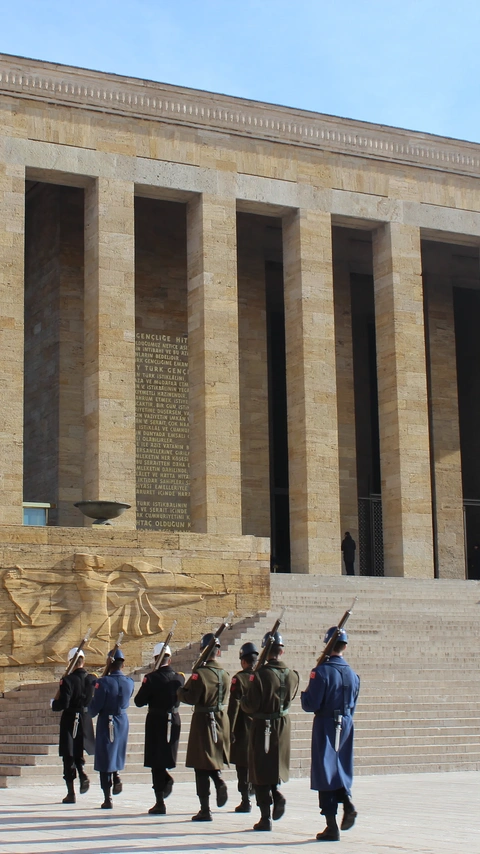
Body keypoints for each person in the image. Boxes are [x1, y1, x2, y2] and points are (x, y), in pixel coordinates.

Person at [301, 626, 360, 842]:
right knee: (340, 768)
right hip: (346, 723)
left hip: (326, 723)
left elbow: (311, 703)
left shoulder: (322, 672)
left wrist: (304, 695)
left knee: (325, 772)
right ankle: (347, 800)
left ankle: (331, 825)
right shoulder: (353, 674)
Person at [240, 632, 299, 832]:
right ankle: (278, 794)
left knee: (259, 771)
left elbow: (250, 705)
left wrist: (244, 698)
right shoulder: (292, 674)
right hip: (282, 725)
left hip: (263, 726)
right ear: (281, 651)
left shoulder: (260, 675)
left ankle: (265, 817)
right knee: (274, 766)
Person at [177, 633, 230, 821]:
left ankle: (205, 809)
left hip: (203, 721)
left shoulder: (200, 674)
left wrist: (180, 690)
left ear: (202, 651)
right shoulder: (225, 674)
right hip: (221, 719)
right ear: (218, 652)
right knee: (212, 758)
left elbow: (190, 697)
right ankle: (218, 780)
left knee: (200, 765)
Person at [134, 641, 185, 814]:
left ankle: (159, 800)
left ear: (156, 658)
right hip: (174, 719)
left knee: (156, 760)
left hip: (156, 720)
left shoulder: (151, 678)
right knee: (166, 755)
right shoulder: (179, 677)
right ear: (169, 660)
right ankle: (166, 779)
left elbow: (139, 701)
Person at [88, 648, 134, 809]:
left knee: (104, 758)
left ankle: (107, 797)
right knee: (115, 753)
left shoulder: (104, 682)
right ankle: (117, 775)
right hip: (122, 720)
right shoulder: (129, 682)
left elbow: (95, 707)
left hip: (107, 721)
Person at [51, 647, 95, 804]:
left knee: (69, 754)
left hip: (70, 718)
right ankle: (82, 773)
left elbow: (63, 703)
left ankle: (71, 793)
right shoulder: (91, 679)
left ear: (71, 662)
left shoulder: (68, 681)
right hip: (85, 717)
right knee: (79, 750)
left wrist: (53, 704)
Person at [227, 641, 259, 813]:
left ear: (244, 661)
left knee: (242, 765)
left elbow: (234, 706)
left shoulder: (238, 679)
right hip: (260, 726)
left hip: (242, 727)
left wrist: (230, 729)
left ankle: (245, 800)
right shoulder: (262, 676)